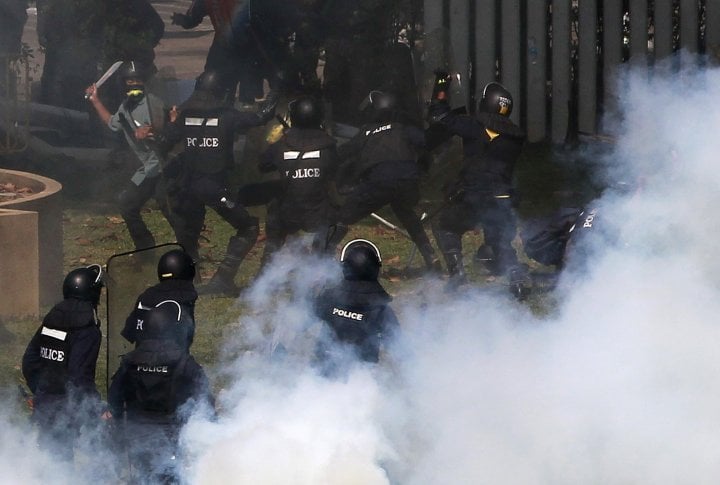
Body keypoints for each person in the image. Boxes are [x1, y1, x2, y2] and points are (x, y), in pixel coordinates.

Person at [162, 69, 277, 296]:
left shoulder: (185, 115)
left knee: (189, 235)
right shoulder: (228, 116)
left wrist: (173, 122)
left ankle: (190, 281)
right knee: (248, 227)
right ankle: (222, 279)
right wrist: (276, 93)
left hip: (188, 187)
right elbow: (261, 116)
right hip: (215, 187)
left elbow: (166, 139)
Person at [428, 82, 527, 290]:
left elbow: (440, 116)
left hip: (474, 195)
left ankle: (458, 276)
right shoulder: (517, 137)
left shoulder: (474, 126)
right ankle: (517, 278)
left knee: (447, 226)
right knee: (499, 241)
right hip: (502, 197)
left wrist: (441, 88)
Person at [329, 90, 440, 272]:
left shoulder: (366, 133)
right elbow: (426, 141)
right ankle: (430, 256)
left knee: (343, 217)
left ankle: (319, 256)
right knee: (407, 213)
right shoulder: (403, 129)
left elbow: (343, 153)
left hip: (377, 184)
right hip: (407, 183)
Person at [107, 301, 215, 484]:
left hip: (136, 438)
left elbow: (114, 397)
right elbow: (205, 401)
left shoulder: (130, 360)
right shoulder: (185, 363)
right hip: (172, 439)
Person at [85, 61, 177, 252]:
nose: (133, 84)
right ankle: (145, 249)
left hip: (162, 167)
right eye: (129, 81)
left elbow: (161, 129)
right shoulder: (126, 106)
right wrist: (95, 100)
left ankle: (190, 250)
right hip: (147, 169)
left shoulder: (152, 103)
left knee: (170, 210)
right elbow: (113, 124)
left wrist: (149, 131)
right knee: (127, 205)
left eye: (137, 80)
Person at [22, 264, 104, 461]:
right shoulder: (88, 330)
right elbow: (79, 375)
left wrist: (41, 391)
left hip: (45, 404)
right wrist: (95, 407)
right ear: (91, 293)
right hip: (68, 407)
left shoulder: (52, 319)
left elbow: (29, 361)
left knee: (51, 460)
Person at [258, 95, 339, 265]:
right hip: (317, 213)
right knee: (332, 218)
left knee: (275, 214)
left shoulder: (281, 144)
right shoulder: (328, 145)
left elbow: (263, 164)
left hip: (287, 212)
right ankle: (321, 264)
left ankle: (267, 266)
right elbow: (333, 171)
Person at [313, 239, 399, 374]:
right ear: (376, 269)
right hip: (361, 375)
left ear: (344, 267)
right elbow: (396, 343)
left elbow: (305, 318)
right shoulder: (381, 309)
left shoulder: (328, 299)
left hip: (325, 366)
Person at [122, 248, 198, 350]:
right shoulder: (185, 298)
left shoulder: (146, 296)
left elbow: (130, 332)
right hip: (173, 362)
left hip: (139, 361)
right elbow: (186, 338)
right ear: (189, 272)